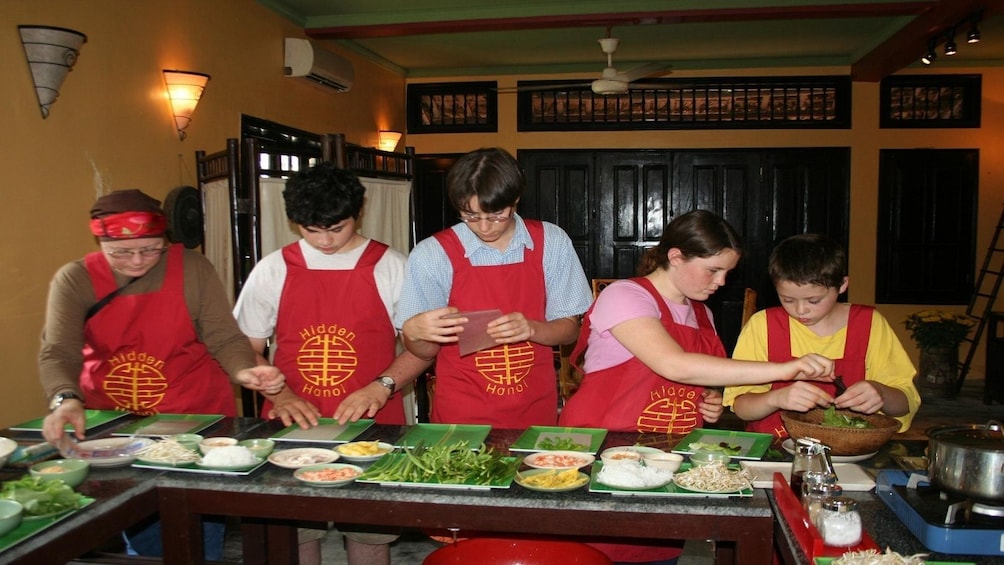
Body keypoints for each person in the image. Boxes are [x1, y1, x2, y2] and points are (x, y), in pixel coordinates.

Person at [558, 210, 835, 565]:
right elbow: (673, 365)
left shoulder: (701, 313)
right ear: (675, 256)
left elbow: (692, 379)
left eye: (727, 273)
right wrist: (785, 368)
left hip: (666, 460)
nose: (721, 282)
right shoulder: (625, 296)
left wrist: (708, 400)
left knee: (656, 554)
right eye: (713, 270)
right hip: (607, 451)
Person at [38, 189, 285, 560]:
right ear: (100, 241)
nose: (137, 260)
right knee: (132, 523)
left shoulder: (192, 268)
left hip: (194, 419)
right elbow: (59, 351)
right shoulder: (74, 279)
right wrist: (65, 399)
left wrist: (245, 369)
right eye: (121, 252)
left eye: (151, 249)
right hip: (117, 425)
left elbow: (222, 335)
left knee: (198, 529)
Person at [234, 162, 430, 565]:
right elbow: (244, 347)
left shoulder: (391, 266)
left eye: (336, 228)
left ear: (357, 214)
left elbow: (422, 348)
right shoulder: (274, 268)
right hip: (294, 424)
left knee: (369, 532)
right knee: (297, 532)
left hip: (373, 422)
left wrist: (382, 386)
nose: (324, 240)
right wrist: (280, 392)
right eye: (311, 230)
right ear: (295, 223)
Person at [394, 147, 593, 429]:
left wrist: (532, 329)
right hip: (462, 413)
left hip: (534, 407)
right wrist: (414, 332)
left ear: (515, 200)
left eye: (497, 215)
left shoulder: (551, 241)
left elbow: (570, 329)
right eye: (470, 216)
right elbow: (424, 352)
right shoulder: (432, 254)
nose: (484, 227)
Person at [723, 233, 920, 438]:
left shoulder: (869, 324)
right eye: (788, 299)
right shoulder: (763, 325)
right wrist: (776, 398)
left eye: (814, 301)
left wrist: (881, 393)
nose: (801, 310)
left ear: (842, 285)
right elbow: (741, 407)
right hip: (776, 448)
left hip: (851, 449)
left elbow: (904, 404)